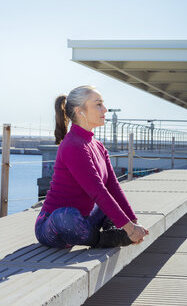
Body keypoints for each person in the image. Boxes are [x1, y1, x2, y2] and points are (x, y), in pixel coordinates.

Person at [34, 85, 149, 249]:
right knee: (66, 216)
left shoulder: (98, 146)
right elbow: (97, 191)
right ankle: (105, 239)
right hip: (53, 227)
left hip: (86, 220)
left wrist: (133, 222)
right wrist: (130, 230)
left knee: (108, 203)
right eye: (98, 104)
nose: (105, 109)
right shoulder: (73, 145)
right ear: (80, 110)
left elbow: (113, 187)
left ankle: (111, 231)